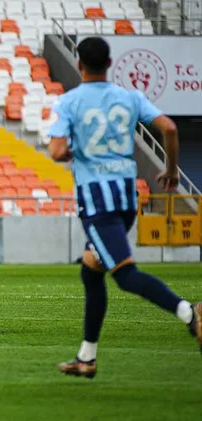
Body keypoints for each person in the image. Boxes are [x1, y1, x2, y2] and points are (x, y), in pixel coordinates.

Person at [46, 36, 201, 378]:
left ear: (79, 65)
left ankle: (190, 313)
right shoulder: (129, 97)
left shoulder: (69, 103)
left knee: (125, 275)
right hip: (127, 197)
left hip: (98, 200)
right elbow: (170, 129)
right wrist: (172, 170)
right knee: (91, 269)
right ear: (110, 64)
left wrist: (76, 150)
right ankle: (86, 359)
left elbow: (57, 152)